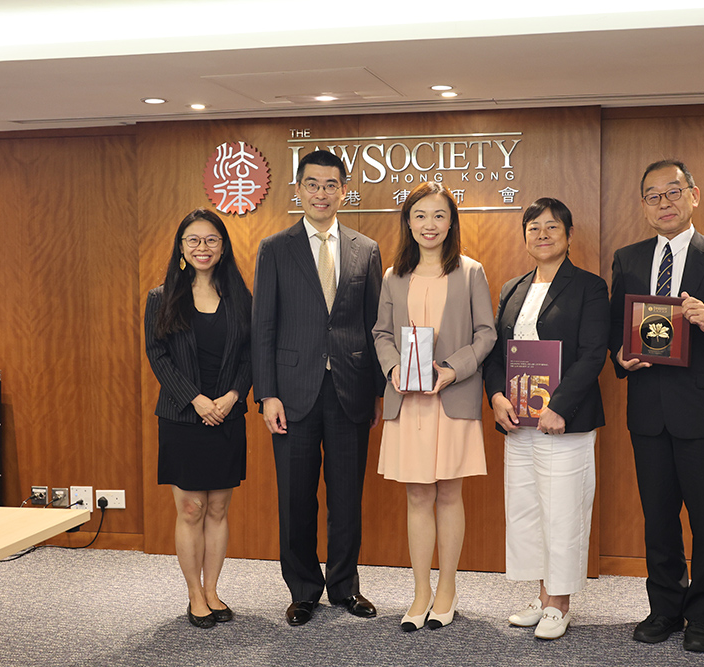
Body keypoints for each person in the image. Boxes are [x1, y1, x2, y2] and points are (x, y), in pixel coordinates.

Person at [609, 160, 704, 652]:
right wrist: (620, 357)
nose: (664, 203)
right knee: (658, 518)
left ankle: (703, 617)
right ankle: (664, 609)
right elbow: (616, 331)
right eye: (653, 196)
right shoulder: (628, 258)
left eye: (673, 192)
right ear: (644, 206)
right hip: (648, 411)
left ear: (693, 195)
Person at [252, 150, 384, 626]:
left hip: (350, 390)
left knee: (347, 497)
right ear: (299, 190)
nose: (321, 193)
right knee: (296, 497)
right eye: (313, 184)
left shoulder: (366, 249)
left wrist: (377, 392)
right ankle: (304, 590)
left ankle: (345, 586)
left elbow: (374, 325)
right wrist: (267, 394)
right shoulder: (275, 248)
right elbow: (263, 326)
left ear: (344, 191)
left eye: (331, 185)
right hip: (292, 393)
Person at [483, 198, 610, 640]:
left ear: (569, 235)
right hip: (518, 422)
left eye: (552, 227)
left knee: (563, 510)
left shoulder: (590, 287)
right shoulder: (512, 288)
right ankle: (541, 596)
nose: (542, 234)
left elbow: (593, 354)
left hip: (563, 421)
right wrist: (496, 396)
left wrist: (559, 406)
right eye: (533, 227)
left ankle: (560, 603)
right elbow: (496, 354)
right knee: (529, 509)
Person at [373, 181, 496, 631]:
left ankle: (447, 588)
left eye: (439, 215)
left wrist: (451, 370)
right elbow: (382, 333)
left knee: (448, 493)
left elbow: (486, 333)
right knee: (418, 494)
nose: (430, 224)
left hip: (451, 397)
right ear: (408, 222)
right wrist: (393, 369)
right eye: (420, 215)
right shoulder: (394, 275)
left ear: (451, 223)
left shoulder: (470, 271)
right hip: (408, 401)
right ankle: (421, 591)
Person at [144, 208, 253, 629]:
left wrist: (232, 396)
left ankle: (213, 590)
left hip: (227, 414)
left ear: (223, 247)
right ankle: (194, 594)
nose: (202, 247)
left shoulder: (240, 297)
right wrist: (196, 400)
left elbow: (251, 354)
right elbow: (158, 355)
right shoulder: (161, 298)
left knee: (219, 507)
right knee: (191, 508)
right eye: (193, 240)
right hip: (182, 417)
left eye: (211, 240)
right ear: (181, 247)